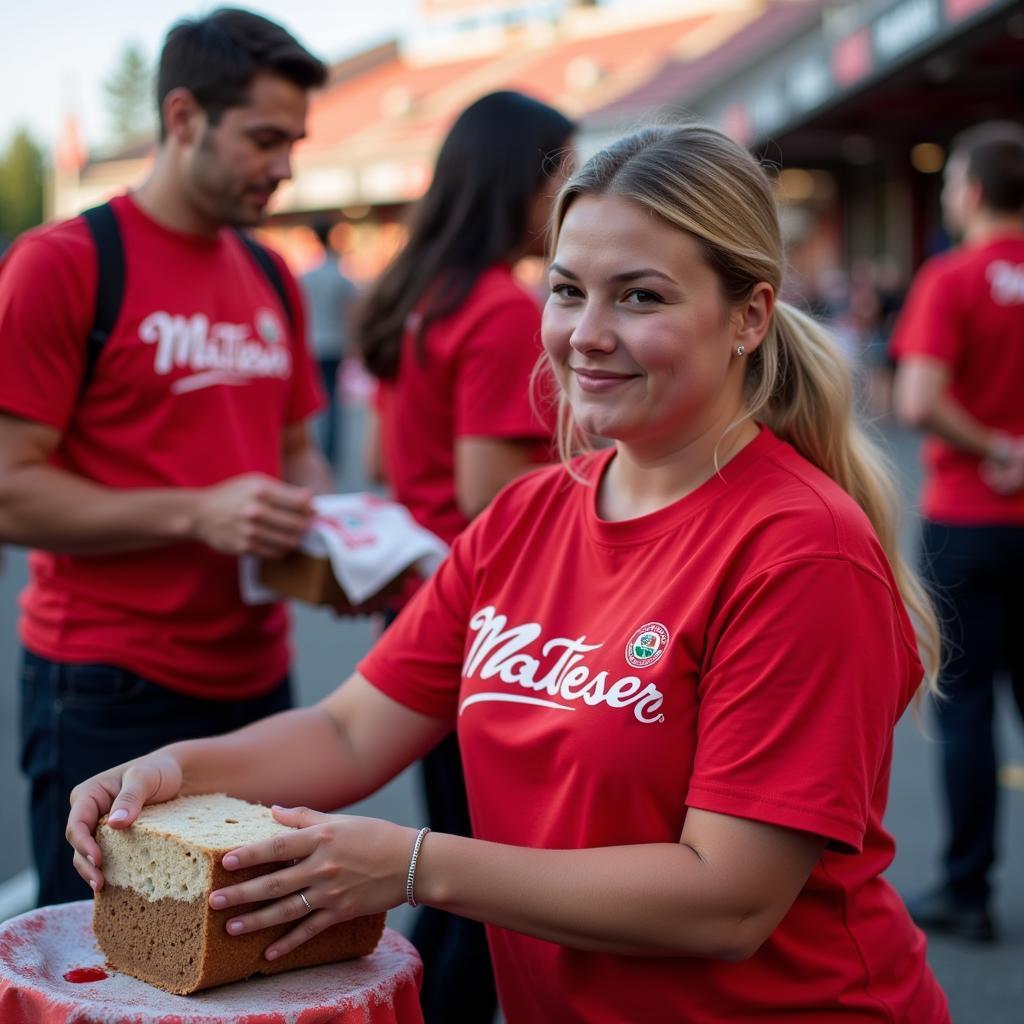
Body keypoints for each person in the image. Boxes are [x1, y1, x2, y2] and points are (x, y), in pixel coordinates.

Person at [67, 123, 950, 1022]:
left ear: (749, 316)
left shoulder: (801, 550)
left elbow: (728, 899)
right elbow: (348, 730)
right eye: (567, 291)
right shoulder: (528, 514)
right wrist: (175, 770)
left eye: (640, 297)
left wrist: (415, 866)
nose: (586, 336)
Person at [0, 8, 331, 907]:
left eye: (293, 141)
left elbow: (300, 452)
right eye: (266, 139)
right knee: (110, 962)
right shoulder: (64, 263)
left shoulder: (271, 276)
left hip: (260, 686)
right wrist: (196, 510)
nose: (285, 166)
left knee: (247, 950)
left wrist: (332, 531)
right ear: (183, 118)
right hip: (111, 684)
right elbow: (8, 492)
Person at [355, 90, 575, 1023]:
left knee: (449, 856)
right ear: (517, 182)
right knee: (480, 884)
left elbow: (378, 461)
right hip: (479, 612)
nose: (570, 192)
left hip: (422, 593)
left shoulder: (419, 292)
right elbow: (490, 491)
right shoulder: (494, 307)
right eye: (561, 172)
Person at [891, 121, 1024, 942]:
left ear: (971, 193)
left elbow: (916, 400)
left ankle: (967, 891)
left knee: (968, 708)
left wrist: (996, 446)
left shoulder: (952, 277)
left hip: (969, 523)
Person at [299, 219, 360, 468]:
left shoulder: (307, 276)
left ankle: (315, 450)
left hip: (312, 344)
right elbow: (351, 314)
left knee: (314, 401)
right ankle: (330, 451)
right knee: (333, 399)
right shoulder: (340, 275)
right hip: (335, 344)